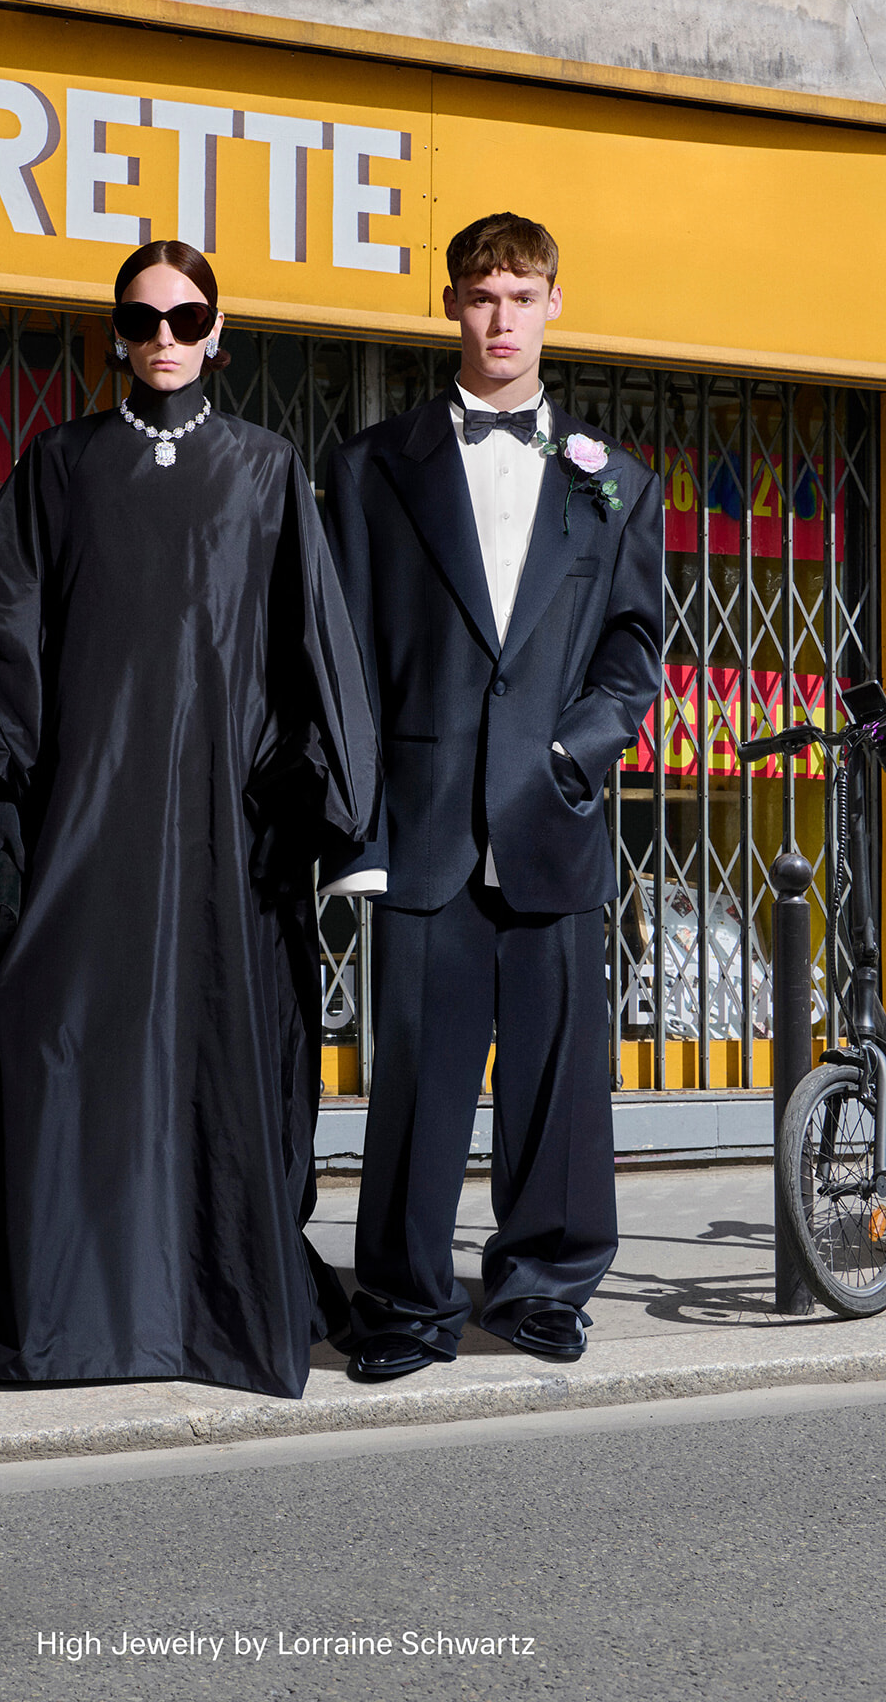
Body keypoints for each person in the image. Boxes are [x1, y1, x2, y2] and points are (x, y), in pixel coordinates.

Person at [0, 240, 378, 1400]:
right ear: (115, 332)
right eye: (142, 317)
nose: (165, 336)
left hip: (223, 835)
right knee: (70, 1053)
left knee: (219, 1055)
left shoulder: (265, 471)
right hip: (89, 825)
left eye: (187, 315)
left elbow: (316, 650)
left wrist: (317, 805)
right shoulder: (62, 466)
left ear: (221, 329)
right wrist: (2, 804)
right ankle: (84, 1319)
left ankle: (211, 1311)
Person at [320, 213, 663, 1378]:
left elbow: (633, 650)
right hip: (423, 827)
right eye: (481, 296)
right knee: (417, 1080)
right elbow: (345, 654)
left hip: (554, 823)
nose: (501, 317)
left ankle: (542, 1291)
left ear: (554, 304)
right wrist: (356, 819)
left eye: (521, 295)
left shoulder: (617, 482)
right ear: (452, 307)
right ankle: (410, 1307)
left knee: (561, 1085)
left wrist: (577, 755)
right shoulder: (372, 468)